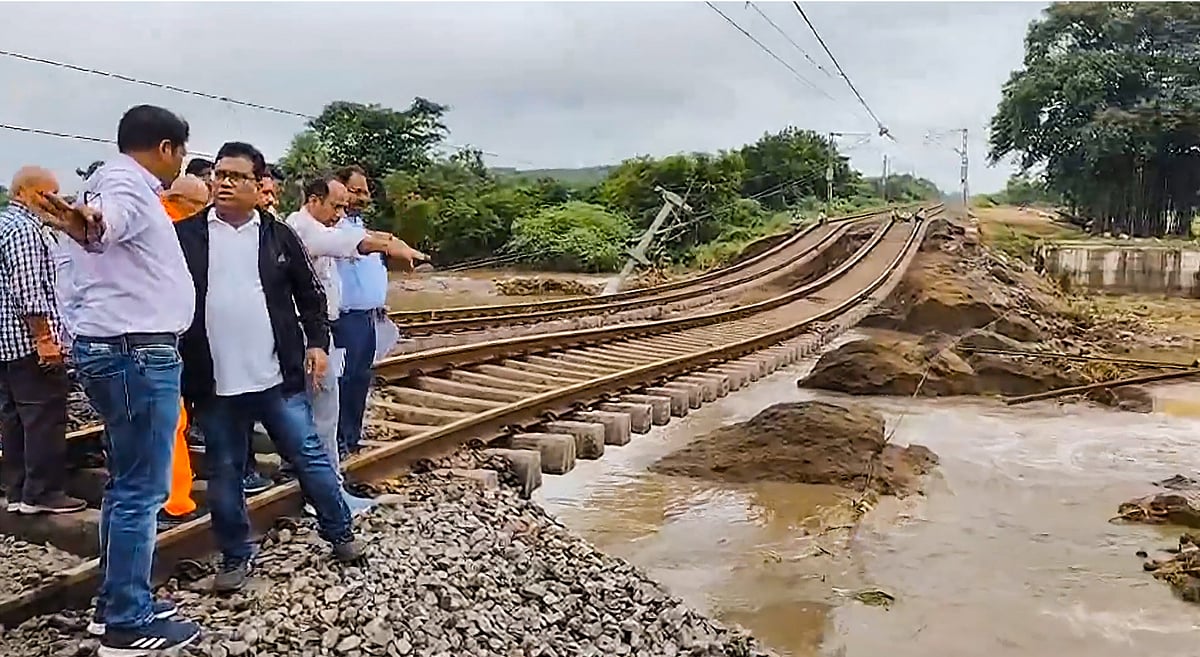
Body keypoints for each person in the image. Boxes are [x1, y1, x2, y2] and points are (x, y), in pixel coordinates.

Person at [35, 105, 200, 656]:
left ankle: (116, 605)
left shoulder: (106, 180)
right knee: (141, 490)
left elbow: (100, 226)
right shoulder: (129, 184)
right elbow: (108, 222)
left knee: (126, 483)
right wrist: (90, 224)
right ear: (168, 149)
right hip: (137, 353)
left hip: (118, 349)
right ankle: (129, 622)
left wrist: (88, 222)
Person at [174, 141, 364, 593]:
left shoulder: (278, 236)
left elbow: (310, 297)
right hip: (215, 384)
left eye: (235, 176)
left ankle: (341, 534)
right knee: (224, 472)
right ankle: (236, 556)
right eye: (218, 174)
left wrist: (317, 343)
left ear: (258, 185)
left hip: (276, 379)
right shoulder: (188, 236)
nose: (223, 183)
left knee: (310, 457)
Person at [285, 177, 421, 490]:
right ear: (314, 200)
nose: (339, 214)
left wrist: (389, 241)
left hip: (324, 327)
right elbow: (348, 244)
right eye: (336, 206)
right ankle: (324, 485)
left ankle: (320, 473)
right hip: (314, 330)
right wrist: (390, 246)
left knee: (329, 400)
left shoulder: (325, 226)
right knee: (322, 408)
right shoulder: (303, 228)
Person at [0, 166, 87, 516]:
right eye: (50, 195)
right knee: (44, 416)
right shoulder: (25, 231)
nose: (55, 203)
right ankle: (44, 493)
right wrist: (45, 339)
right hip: (28, 342)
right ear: (30, 194)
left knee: (14, 418)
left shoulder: (5, 223)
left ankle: (19, 490)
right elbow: (29, 289)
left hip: (6, 343)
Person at [332, 166, 421, 458]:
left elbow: (375, 237)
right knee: (342, 380)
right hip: (344, 319)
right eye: (355, 191)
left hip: (369, 317)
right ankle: (336, 442)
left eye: (365, 192)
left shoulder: (358, 227)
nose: (361, 198)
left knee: (359, 380)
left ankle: (350, 438)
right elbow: (366, 242)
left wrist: (397, 244)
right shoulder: (332, 228)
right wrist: (392, 245)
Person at [156, 175, 210, 527]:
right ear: (181, 200)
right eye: (199, 206)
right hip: (159, 339)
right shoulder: (171, 229)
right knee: (170, 422)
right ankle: (174, 502)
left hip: (157, 338)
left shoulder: (155, 221)